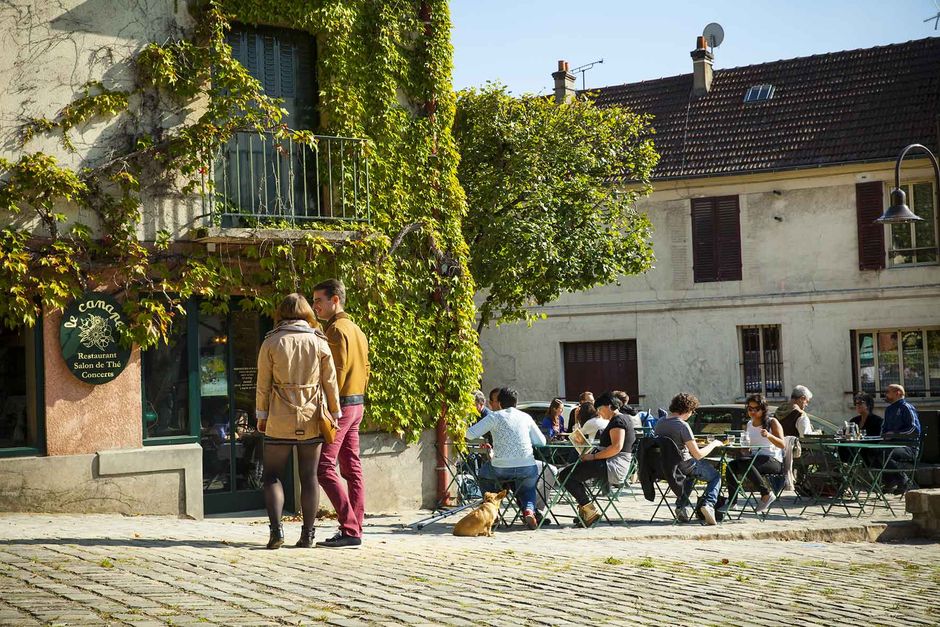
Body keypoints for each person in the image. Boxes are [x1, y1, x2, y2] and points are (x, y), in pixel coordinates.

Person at [256, 293, 341, 549]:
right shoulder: (319, 341)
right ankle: (308, 535)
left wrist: (262, 415)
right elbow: (331, 381)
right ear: (307, 312)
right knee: (309, 476)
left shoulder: (271, 342)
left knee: (271, 475)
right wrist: (335, 412)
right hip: (312, 414)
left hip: (279, 413)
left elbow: (263, 385)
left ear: (280, 313)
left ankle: (276, 531)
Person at [313, 279, 371, 549]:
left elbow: (336, 373)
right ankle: (354, 528)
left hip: (343, 406)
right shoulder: (357, 329)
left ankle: (349, 528)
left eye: (319, 301)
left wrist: (331, 409)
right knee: (351, 467)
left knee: (324, 467)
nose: (315, 306)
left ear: (335, 300)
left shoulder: (336, 330)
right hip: (357, 403)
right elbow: (366, 369)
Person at [467, 387, 546, 530]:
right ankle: (528, 510)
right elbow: (542, 441)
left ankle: (493, 512)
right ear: (516, 402)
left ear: (500, 403)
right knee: (528, 488)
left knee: (484, 476)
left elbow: (470, 434)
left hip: (500, 467)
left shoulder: (494, 417)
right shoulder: (526, 417)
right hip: (526, 465)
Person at [559, 392, 636, 528]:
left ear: (609, 406)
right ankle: (586, 510)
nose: (599, 413)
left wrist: (593, 456)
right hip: (609, 462)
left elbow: (616, 447)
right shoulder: (618, 420)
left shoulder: (618, 421)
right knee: (570, 473)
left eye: (600, 409)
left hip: (613, 465)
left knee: (566, 475)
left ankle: (589, 511)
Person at [653, 393, 725, 525]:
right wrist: (714, 444)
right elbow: (697, 454)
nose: (692, 415)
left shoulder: (660, 422)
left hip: (664, 467)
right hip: (683, 465)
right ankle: (708, 504)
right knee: (715, 476)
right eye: (692, 412)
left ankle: (681, 507)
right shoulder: (682, 425)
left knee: (690, 476)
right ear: (688, 410)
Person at [726, 394, 785, 513]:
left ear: (763, 409)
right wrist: (744, 449)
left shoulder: (772, 422)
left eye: (756, 409)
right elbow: (749, 448)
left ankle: (766, 494)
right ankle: (733, 502)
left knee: (745, 463)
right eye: (750, 409)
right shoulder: (749, 424)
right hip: (754, 459)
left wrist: (769, 435)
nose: (752, 412)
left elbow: (782, 444)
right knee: (731, 466)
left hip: (772, 460)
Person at [880, 384, 921, 495]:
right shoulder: (889, 410)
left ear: (897, 392)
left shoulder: (906, 407)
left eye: (888, 392)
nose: (886, 394)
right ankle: (889, 480)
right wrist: (884, 435)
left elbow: (914, 429)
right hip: (892, 445)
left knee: (886, 452)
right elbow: (884, 429)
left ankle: (903, 480)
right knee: (873, 451)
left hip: (909, 447)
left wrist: (894, 434)